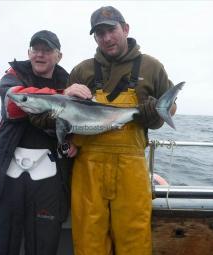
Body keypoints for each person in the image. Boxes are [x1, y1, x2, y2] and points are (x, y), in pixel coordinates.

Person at [64, 6, 176, 255]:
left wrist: (152, 117)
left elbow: (169, 108)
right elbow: (64, 116)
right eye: (99, 33)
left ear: (125, 29)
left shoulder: (152, 68)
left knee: (134, 239)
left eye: (111, 29)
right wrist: (67, 134)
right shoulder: (82, 71)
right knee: (88, 239)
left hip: (131, 166)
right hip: (87, 168)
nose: (106, 38)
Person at [0, 30, 77, 255]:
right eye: (36, 50)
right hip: (6, 172)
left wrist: (71, 143)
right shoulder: (13, 75)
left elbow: (71, 126)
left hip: (50, 174)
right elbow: (12, 105)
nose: (40, 55)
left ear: (58, 56)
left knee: (44, 242)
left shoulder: (70, 81)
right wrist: (62, 96)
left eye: (47, 50)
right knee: (0, 241)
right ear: (29, 52)